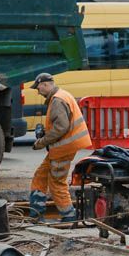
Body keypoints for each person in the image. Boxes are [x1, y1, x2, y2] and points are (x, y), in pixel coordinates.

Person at [28, 72, 92, 222]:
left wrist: (42, 141)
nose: (38, 92)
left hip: (64, 147)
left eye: (38, 88)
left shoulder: (57, 100)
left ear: (44, 84)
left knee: (57, 182)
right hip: (62, 147)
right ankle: (36, 213)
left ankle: (69, 215)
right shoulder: (61, 96)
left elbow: (61, 127)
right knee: (40, 175)